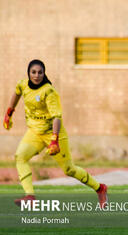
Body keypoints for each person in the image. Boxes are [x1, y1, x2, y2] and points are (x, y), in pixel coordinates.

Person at [3, 59, 108, 207]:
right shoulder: (23, 84)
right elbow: (17, 92)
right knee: (20, 157)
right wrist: (9, 112)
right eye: (33, 72)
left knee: (69, 169)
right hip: (34, 133)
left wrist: (54, 139)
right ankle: (30, 196)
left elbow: (57, 117)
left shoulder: (49, 91)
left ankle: (100, 188)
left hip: (53, 133)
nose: (37, 75)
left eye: (40, 72)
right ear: (28, 73)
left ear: (44, 74)